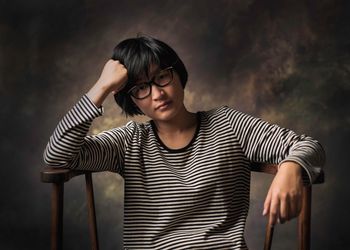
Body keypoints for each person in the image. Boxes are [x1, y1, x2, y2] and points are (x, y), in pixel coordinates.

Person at [43, 36, 325, 249]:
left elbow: (308, 145)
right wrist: (101, 87)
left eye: (161, 77)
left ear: (178, 75)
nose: (157, 93)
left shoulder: (227, 124)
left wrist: (290, 168)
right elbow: (57, 156)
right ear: (132, 101)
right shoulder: (129, 142)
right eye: (141, 88)